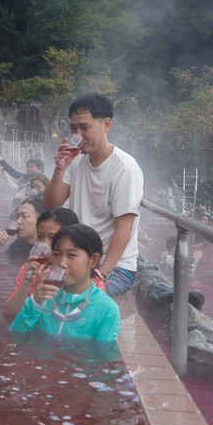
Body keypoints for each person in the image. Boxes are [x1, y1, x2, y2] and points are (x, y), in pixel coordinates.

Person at [44, 94, 143, 296]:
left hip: (116, 267)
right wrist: (59, 168)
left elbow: (124, 228)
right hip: (78, 258)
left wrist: (101, 273)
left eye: (84, 127)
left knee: (79, 301)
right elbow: (52, 206)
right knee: (38, 290)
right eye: (73, 129)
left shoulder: (124, 168)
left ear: (106, 125)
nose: (78, 135)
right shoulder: (77, 160)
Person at [10, 224, 121, 343]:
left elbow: (101, 356)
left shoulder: (106, 309)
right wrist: (34, 303)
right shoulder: (44, 298)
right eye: (57, 254)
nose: (62, 263)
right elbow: (15, 338)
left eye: (71, 255)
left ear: (93, 261)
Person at [4, 207, 79, 319]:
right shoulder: (31, 268)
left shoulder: (81, 271)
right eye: (40, 236)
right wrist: (27, 280)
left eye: (53, 237)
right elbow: (10, 313)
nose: (45, 243)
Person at [4, 197, 45, 265]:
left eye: (25, 216)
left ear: (41, 220)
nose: (18, 221)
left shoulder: (48, 250)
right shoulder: (17, 246)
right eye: (18, 216)